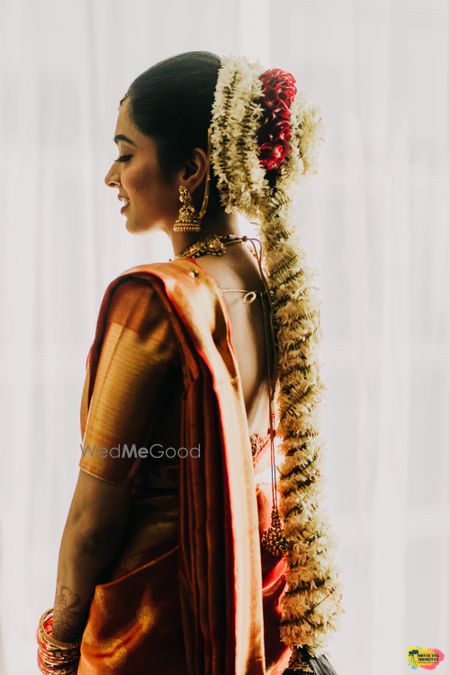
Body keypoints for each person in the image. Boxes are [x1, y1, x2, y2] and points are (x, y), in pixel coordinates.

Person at [36, 52, 345, 674]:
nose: (110, 177)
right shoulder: (264, 280)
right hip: (255, 615)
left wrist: (61, 645)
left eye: (126, 154)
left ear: (191, 169)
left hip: (158, 629)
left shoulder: (155, 298)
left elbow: (94, 518)